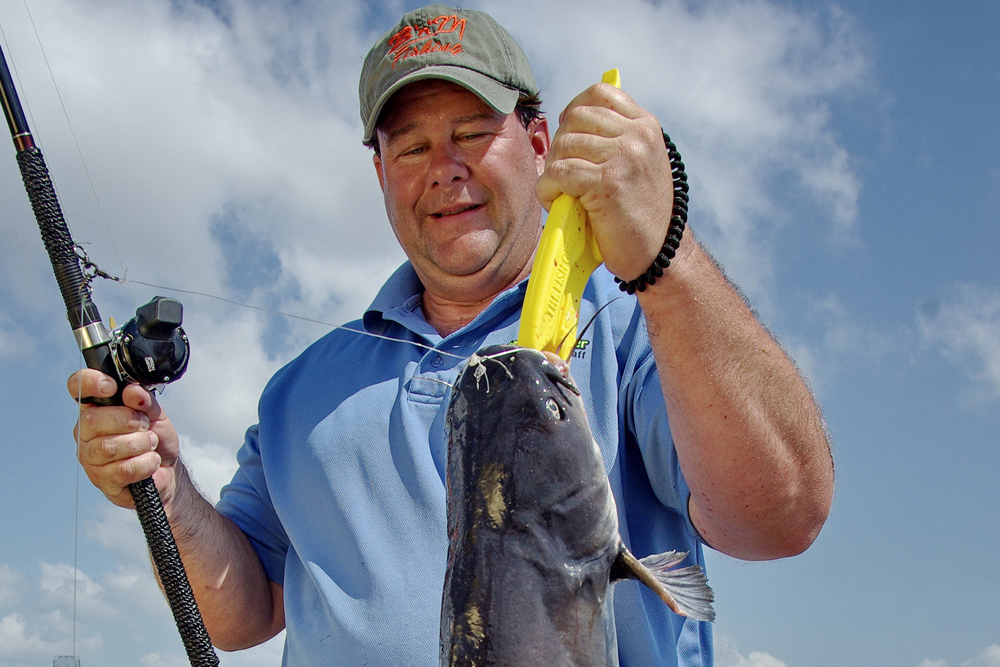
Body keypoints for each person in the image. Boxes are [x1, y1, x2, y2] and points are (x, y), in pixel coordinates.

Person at [71, 5, 834, 666]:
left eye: (472, 131)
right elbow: (235, 615)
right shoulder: (297, 393)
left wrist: (665, 259)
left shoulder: (646, 328)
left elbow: (781, 516)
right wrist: (163, 496)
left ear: (540, 144)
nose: (444, 168)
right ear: (379, 173)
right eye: (411, 147)